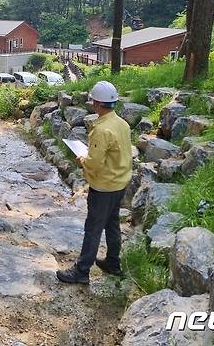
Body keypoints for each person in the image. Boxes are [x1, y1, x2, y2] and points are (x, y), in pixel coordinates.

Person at [56, 80, 132, 284]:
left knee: (93, 228)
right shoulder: (122, 124)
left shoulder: (101, 130)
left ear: (97, 103)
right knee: (112, 223)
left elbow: (94, 163)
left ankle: (81, 271)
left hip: (104, 186)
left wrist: (82, 159)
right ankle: (113, 262)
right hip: (120, 182)